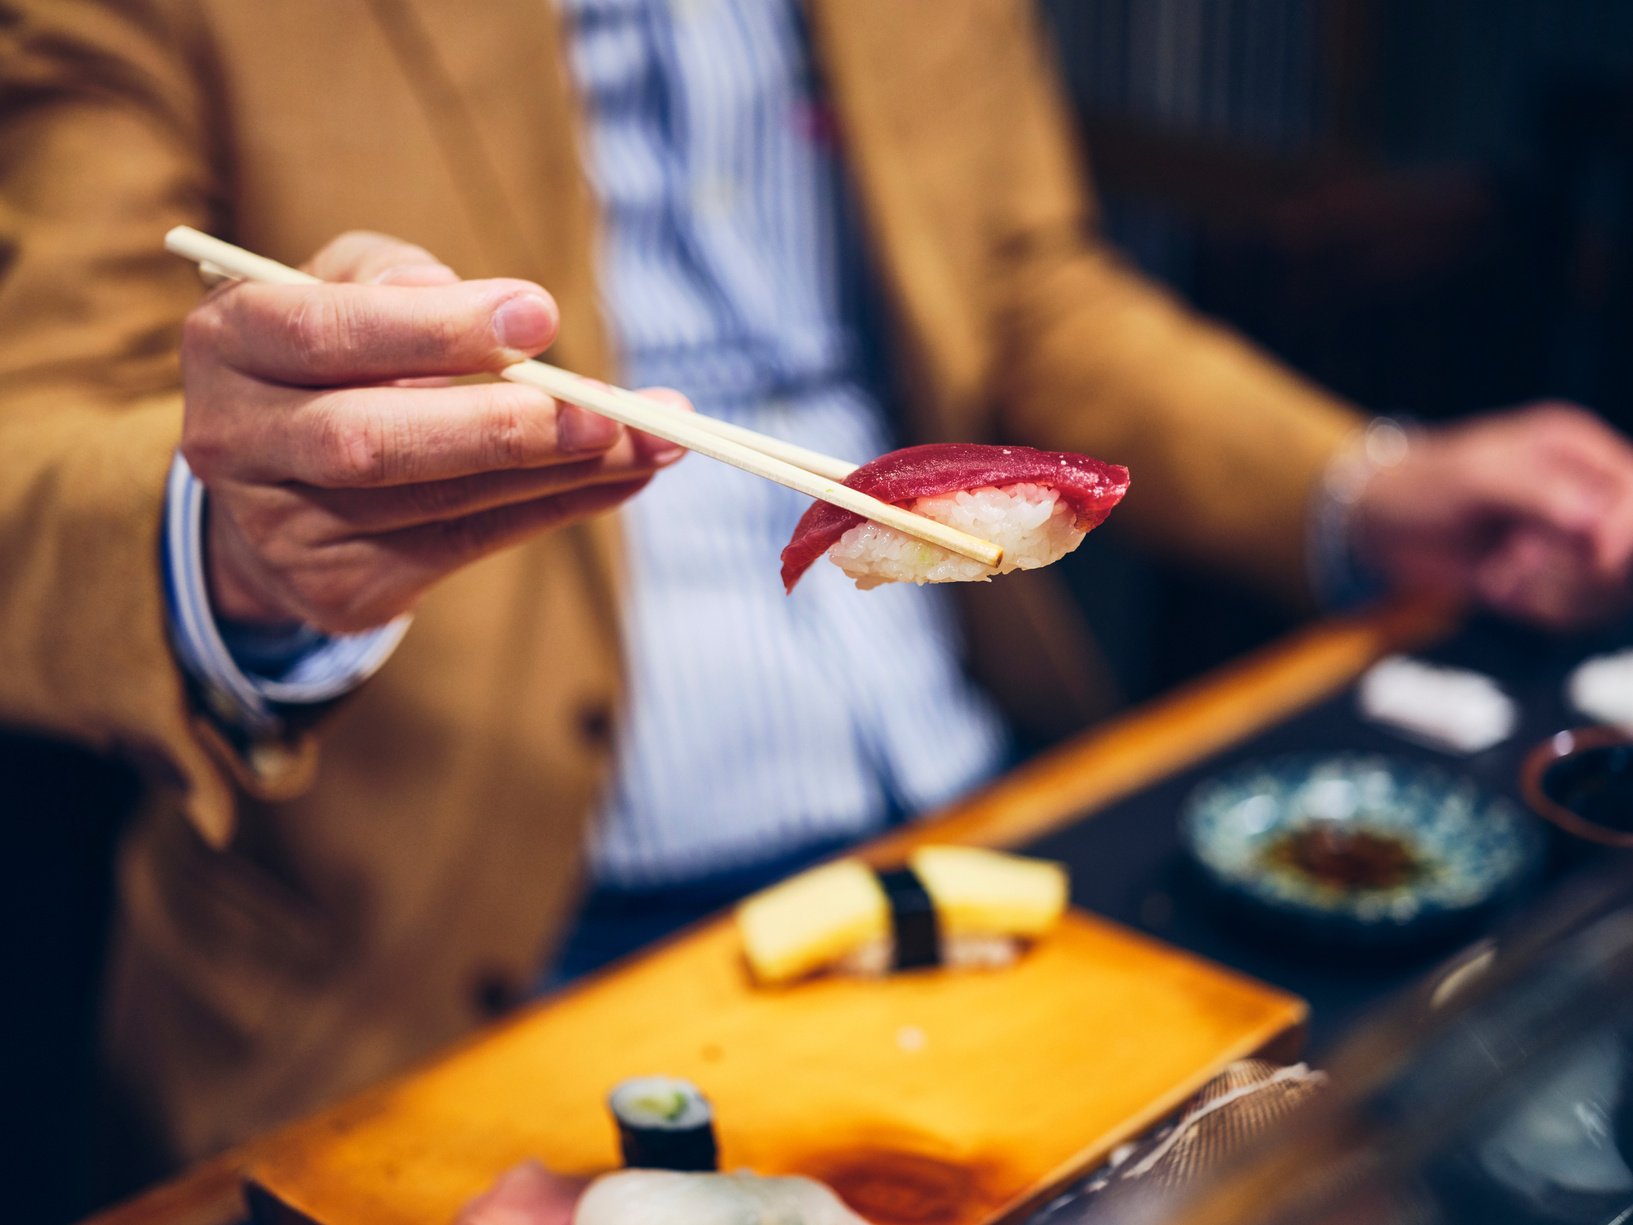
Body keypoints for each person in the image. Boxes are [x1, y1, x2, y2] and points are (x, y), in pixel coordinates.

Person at [3, 0, 1632, 1201]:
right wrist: (246, 541)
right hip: (462, 942)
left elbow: (1014, 285)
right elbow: (31, 444)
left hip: (979, 819)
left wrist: (1359, 485)